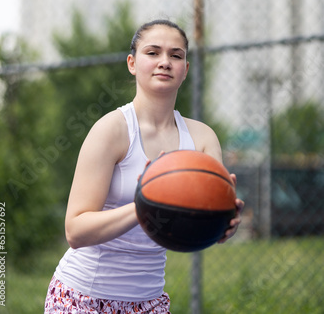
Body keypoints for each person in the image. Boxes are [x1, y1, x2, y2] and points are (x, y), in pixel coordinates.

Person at [44, 19, 244, 314]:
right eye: (153, 53)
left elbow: (206, 215)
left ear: (185, 69)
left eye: (176, 55)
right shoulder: (111, 130)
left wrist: (222, 225)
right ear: (132, 63)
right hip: (83, 297)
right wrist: (145, 205)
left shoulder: (202, 138)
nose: (165, 62)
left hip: (148, 303)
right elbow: (75, 231)